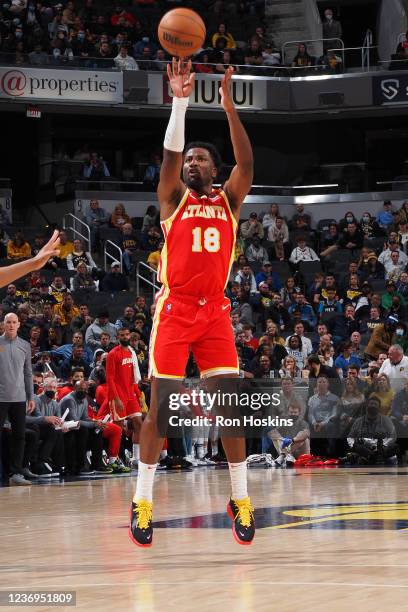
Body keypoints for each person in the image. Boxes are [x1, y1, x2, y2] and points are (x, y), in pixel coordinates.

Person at [130, 60, 255, 548]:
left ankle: (239, 497)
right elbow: (168, 156)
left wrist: (227, 108)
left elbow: (247, 164)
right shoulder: (171, 198)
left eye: (200, 160)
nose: (191, 164)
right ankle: (143, 500)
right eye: (189, 160)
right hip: (176, 309)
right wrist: (180, 101)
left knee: (232, 408)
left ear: (213, 169)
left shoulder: (229, 199)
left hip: (215, 312)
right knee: (160, 411)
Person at [0, 313, 35, 485]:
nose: (11, 325)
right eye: (8, 322)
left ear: (19, 324)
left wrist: (31, 396)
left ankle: (16, 473)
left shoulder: (25, 346)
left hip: (19, 398)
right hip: (1, 397)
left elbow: (28, 373)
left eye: (14, 322)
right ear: (3, 324)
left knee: (19, 436)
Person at [346, 397, 397, 465]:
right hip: (364, 448)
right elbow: (350, 437)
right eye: (371, 403)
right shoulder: (358, 421)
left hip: (381, 448)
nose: (373, 405)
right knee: (356, 447)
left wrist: (384, 445)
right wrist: (353, 445)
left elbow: (393, 436)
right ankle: (375, 457)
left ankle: (370, 458)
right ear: (367, 406)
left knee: (395, 447)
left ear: (379, 408)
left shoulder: (386, 420)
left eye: (375, 404)